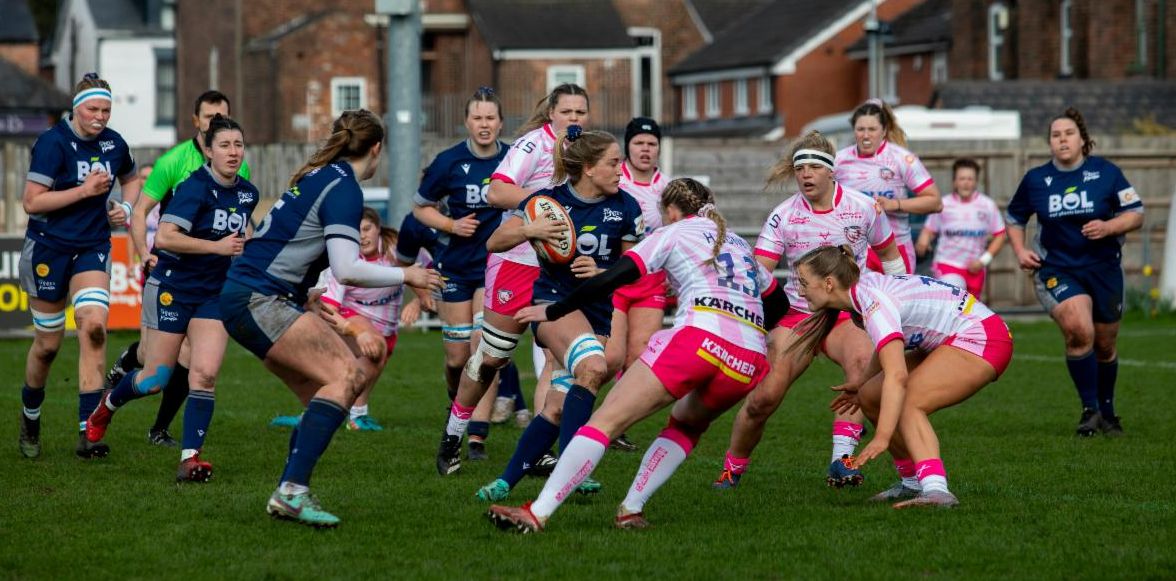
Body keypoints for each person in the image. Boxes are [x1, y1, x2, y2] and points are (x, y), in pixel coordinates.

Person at [485, 179, 790, 533]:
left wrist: (555, 310)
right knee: (687, 426)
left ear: (671, 211)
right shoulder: (737, 243)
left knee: (605, 422)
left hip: (698, 339)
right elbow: (779, 303)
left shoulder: (674, 232)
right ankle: (630, 509)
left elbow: (613, 278)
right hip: (748, 357)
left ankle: (537, 513)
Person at [219, 110, 441, 527]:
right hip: (258, 298)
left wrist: (303, 293)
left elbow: (288, 244)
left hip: (249, 296)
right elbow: (347, 269)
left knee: (323, 396)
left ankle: (290, 492)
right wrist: (408, 274)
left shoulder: (320, 176)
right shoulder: (344, 188)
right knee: (347, 376)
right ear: (376, 149)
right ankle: (291, 491)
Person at [713, 131, 902, 490]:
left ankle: (841, 462)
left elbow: (891, 257)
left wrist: (898, 307)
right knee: (765, 397)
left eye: (814, 167)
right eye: (800, 168)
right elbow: (760, 273)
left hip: (846, 312)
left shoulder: (863, 207)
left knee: (862, 367)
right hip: (799, 314)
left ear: (832, 171)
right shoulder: (783, 216)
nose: (806, 174)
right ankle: (730, 470)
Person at [474, 126, 644, 503]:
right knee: (594, 367)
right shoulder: (547, 201)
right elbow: (494, 242)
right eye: (613, 163)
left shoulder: (627, 207)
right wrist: (530, 229)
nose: (621, 170)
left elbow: (634, 268)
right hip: (552, 304)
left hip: (597, 311)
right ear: (588, 168)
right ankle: (573, 468)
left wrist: (603, 272)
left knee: (555, 408)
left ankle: (504, 483)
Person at [85, 116, 256, 481]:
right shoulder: (194, 187)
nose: (233, 152)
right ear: (208, 151)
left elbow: (244, 239)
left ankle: (189, 459)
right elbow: (164, 237)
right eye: (224, 145)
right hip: (173, 289)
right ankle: (107, 406)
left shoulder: (247, 193)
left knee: (204, 374)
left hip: (213, 295)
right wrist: (217, 247)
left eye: (238, 145)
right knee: (154, 379)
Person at [435, 83, 589, 476]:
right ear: (551, 113)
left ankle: (539, 449)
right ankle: (453, 434)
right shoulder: (533, 145)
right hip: (517, 263)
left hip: (559, 269)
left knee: (559, 359)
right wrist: (541, 207)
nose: (574, 118)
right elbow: (496, 191)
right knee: (492, 359)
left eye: (580, 112)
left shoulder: (586, 151)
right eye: (567, 111)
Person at [789, 245, 1014, 508]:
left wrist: (882, 437)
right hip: (954, 337)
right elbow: (887, 349)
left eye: (804, 283)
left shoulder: (872, 303)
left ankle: (937, 491)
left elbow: (897, 376)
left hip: (983, 337)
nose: (800, 291)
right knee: (870, 396)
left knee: (908, 401)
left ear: (828, 283)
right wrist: (862, 383)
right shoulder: (860, 296)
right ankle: (911, 483)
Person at [18, 73, 139, 459]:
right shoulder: (52, 143)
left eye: (106, 110)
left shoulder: (114, 143)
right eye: (93, 109)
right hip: (48, 249)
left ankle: (90, 432)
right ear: (76, 109)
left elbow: (132, 179)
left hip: (91, 247)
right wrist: (84, 191)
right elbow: (32, 202)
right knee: (47, 347)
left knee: (94, 328)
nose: (100, 116)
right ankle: (30, 418)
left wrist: (126, 208)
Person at [1006, 107, 1143, 437]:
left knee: (1105, 345)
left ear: (1083, 140)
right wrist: (1021, 251)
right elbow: (1014, 218)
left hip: (1104, 269)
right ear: (1050, 143)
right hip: (1057, 269)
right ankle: (1089, 410)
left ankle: (1107, 412)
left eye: (1069, 133)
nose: (1062, 140)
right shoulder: (1037, 179)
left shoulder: (1106, 173)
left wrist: (1109, 227)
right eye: (1056, 135)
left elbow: (1135, 213)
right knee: (1080, 331)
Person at [829, 98, 941, 467]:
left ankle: (887, 396)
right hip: (856, 253)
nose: (865, 135)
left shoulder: (901, 159)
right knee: (859, 338)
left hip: (894, 252)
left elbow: (934, 202)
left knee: (889, 333)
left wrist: (895, 206)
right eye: (859, 129)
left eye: (871, 129)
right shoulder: (840, 161)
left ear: (884, 131)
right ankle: (868, 395)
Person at [412, 87, 510, 457]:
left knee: (484, 349)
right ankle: (457, 407)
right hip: (454, 269)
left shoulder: (513, 159)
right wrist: (451, 225)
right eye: (477, 118)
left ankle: (477, 437)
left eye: (490, 118)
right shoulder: (449, 161)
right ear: (467, 122)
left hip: (494, 268)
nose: (484, 124)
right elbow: (420, 207)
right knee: (456, 359)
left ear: (500, 122)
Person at [604, 117, 671, 453]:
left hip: (651, 281)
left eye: (651, 144)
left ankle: (614, 425)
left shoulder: (668, 188)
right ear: (627, 147)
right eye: (639, 143)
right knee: (611, 357)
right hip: (615, 278)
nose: (646, 149)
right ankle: (577, 411)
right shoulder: (613, 180)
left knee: (638, 355)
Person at [317, 208, 413, 432]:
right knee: (374, 347)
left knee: (374, 358)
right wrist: (356, 331)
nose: (362, 236)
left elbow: (424, 271)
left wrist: (418, 301)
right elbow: (328, 310)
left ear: (378, 228)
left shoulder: (396, 250)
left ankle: (339, 413)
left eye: (367, 229)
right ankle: (351, 416)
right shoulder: (344, 262)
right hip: (350, 319)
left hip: (387, 328)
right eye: (356, 231)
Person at [915, 159, 1006, 297]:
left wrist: (983, 261)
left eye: (970, 179)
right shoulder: (943, 204)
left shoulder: (987, 205)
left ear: (976, 182)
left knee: (970, 308)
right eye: (962, 179)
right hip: (947, 265)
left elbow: (1000, 235)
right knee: (954, 298)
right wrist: (923, 241)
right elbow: (929, 230)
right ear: (954, 182)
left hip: (975, 269)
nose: (966, 183)